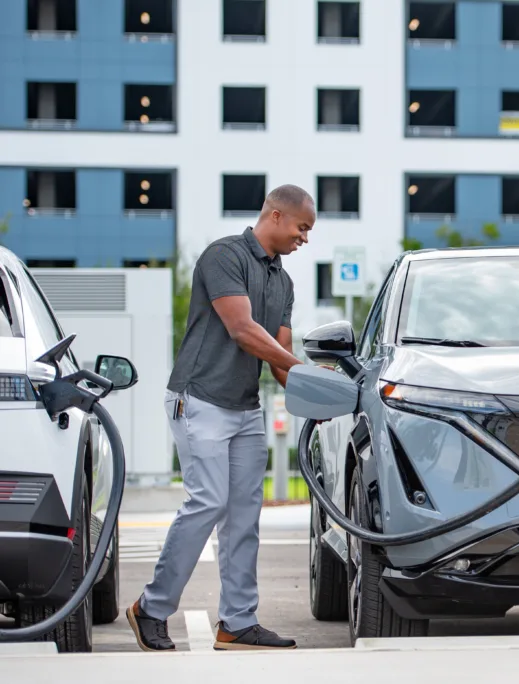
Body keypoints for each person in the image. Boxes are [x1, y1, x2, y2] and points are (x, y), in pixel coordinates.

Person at [126, 184, 315, 652]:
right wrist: (303, 370)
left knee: (244, 516)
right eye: (301, 227)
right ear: (274, 215)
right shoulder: (223, 256)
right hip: (201, 398)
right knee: (208, 501)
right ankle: (151, 607)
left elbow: (279, 357)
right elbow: (243, 330)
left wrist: (325, 393)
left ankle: (237, 623)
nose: (304, 238)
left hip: (244, 407)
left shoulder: (284, 282)